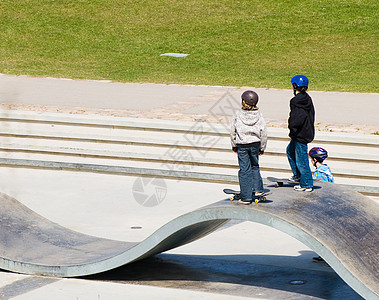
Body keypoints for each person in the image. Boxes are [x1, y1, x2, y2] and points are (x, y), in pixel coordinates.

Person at [230, 90, 267, 204]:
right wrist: (262, 147)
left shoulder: (237, 114)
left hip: (242, 145)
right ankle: (258, 190)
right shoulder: (259, 115)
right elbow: (263, 133)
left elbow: (233, 131)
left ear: (243, 101)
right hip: (255, 144)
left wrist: (234, 145)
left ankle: (245, 196)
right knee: (255, 166)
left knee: (244, 170)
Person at [286, 75, 315, 192]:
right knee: (290, 150)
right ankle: (298, 175)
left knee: (302, 159)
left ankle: (306, 183)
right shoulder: (307, 98)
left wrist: (292, 130)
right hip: (306, 132)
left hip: (299, 134)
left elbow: (297, 118)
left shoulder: (295, 101)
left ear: (294, 86)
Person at [308, 146, 335, 263]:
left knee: (323, 234)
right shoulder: (326, 169)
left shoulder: (320, 175)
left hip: (323, 207)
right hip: (329, 205)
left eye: (311, 159)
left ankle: (330, 258)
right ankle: (324, 255)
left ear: (314, 160)